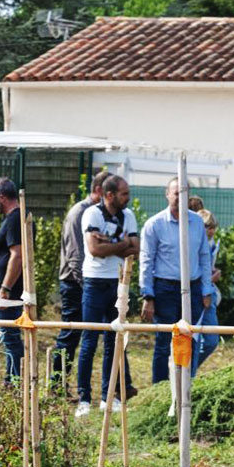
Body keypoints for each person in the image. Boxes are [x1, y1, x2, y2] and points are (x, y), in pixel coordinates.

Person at [75, 175, 138, 417]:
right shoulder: (92, 214)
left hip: (118, 281)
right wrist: (120, 244)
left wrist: (109, 242)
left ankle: (108, 396)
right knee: (89, 339)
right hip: (94, 281)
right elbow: (94, 250)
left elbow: (135, 248)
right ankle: (83, 398)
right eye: (123, 193)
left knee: (115, 340)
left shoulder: (128, 216)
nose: (128, 197)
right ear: (109, 195)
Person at [139, 178, 212, 384]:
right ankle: (160, 390)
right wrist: (148, 295)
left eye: (184, 192)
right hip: (165, 289)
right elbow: (146, 260)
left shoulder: (197, 222)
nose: (180, 197)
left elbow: (204, 256)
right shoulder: (155, 224)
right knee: (163, 343)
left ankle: (187, 387)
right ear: (167, 194)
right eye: (176, 192)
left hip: (193, 287)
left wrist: (206, 290)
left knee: (190, 339)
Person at [51, 171, 108, 393]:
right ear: (99, 191)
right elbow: (76, 255)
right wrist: (86, 288)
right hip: (75, 282)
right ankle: (56, 385)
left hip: (88, 282)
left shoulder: (99, 214)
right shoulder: (80, 213)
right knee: (70, 333)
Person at [0, 176, 24, 385]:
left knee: (10, 338)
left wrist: (5, 288)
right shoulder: (13, 219)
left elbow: (17, 255)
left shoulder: (14, 219)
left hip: (9, 292)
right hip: (7, 290)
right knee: (9, 336)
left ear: (2, 197)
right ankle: (10, 379)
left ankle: (15, 382)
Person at [192, 208, 222, 375]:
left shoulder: (212, 245)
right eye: (207, 227)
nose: (210, 231)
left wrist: (214, 273)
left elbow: (207, 268)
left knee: (211, 341)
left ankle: (190, 369)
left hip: (209, 294)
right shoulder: (193, 246)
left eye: (213, 227)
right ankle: (188, 377)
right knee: (194, 340)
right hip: (196, 295)